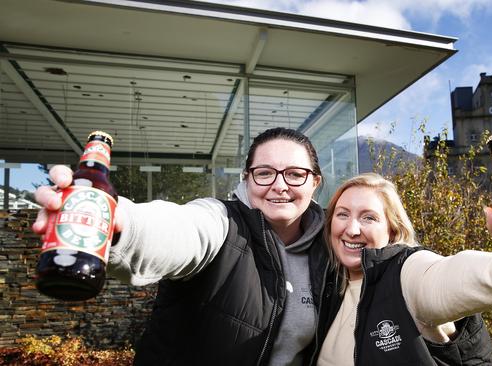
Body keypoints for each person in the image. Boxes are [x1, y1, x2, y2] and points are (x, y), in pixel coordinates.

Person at [33, 127, 332, 365]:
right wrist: (117, 220)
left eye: (295, 174)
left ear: (314, 182)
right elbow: (179, 229)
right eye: (265, 173)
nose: (280, 185)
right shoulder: (220, 221)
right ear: (247, 179)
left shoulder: (330, 247)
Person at [314, 173, 492, 366]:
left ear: (392, 230)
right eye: (342, 214)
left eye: (368, 217)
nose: (352, 229)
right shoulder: (331, 282)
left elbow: (449, 277)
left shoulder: (407, 273)